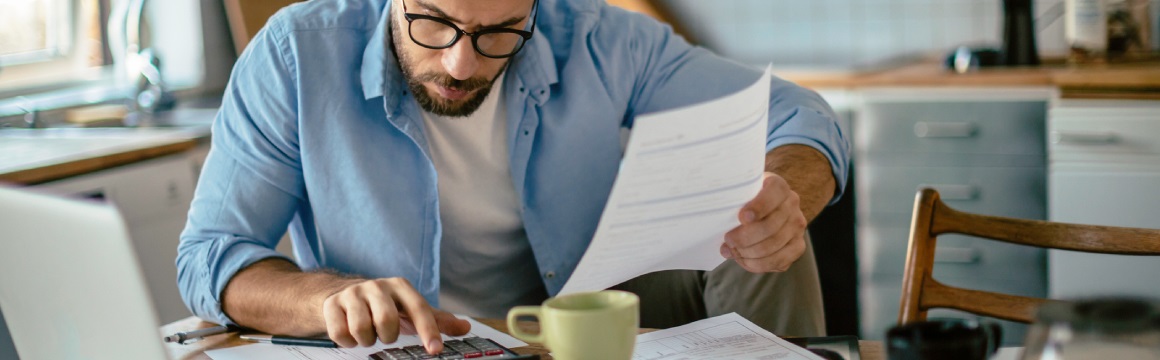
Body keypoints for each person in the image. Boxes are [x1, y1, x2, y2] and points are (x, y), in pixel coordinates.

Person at [176, 0, 850, 355]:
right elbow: (211, 255)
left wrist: (786, 189)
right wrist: (327, 298)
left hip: (585, 321)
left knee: (761, 207)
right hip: (415, 347)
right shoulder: (295, 53)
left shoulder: (596, 37)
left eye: (500, 33)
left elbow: (798, 112)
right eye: (434, 23)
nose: (463, 64)